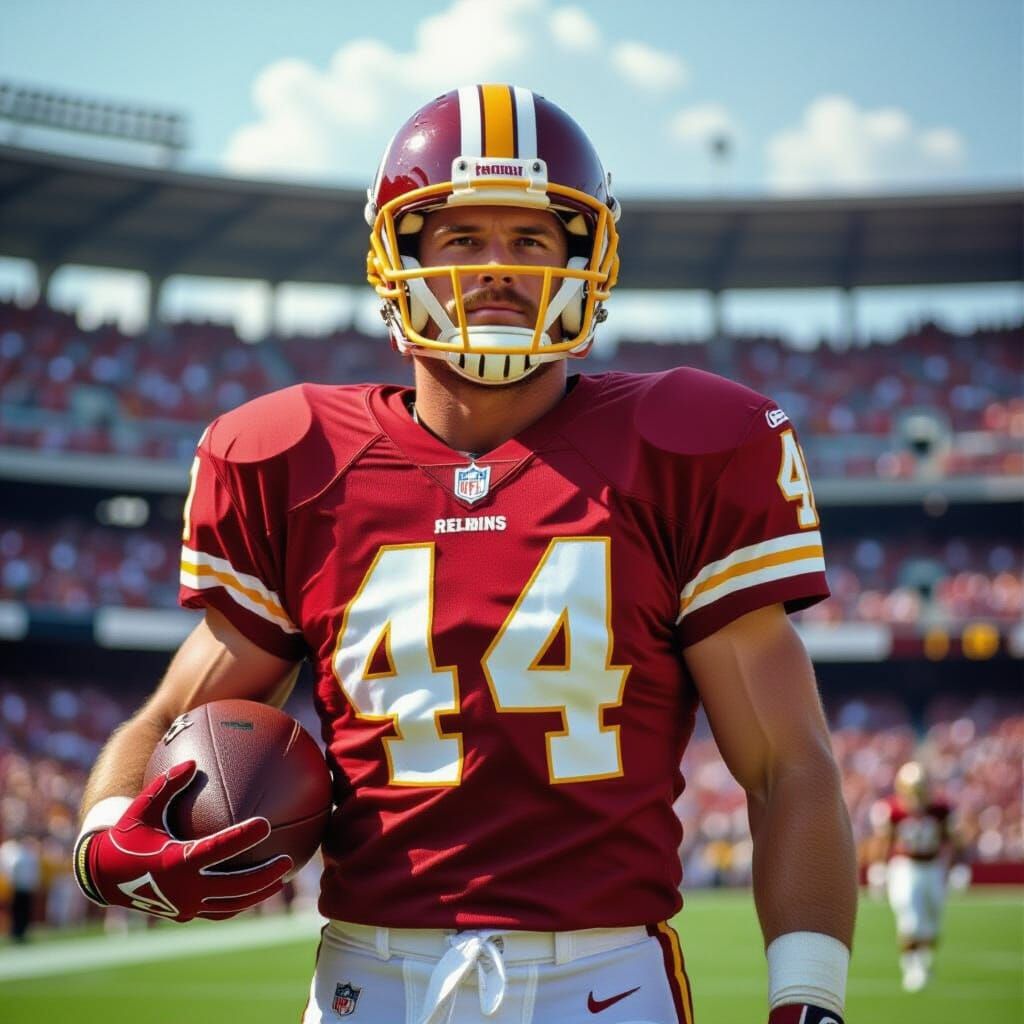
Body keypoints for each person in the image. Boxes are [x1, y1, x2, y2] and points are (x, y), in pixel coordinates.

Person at [73, 84, 857, 1023]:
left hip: (603, 983)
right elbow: (172, 717)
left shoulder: (688, 445)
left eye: (531, 240)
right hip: (366, 982)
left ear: (584, 260)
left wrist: (810, 1001)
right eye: (462, 239)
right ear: (397, 256)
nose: (497, 269)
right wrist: (102, 835)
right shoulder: (296, 460)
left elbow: (788, 766)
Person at [871, 760, 960, 992]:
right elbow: (884, 841)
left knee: (932, 923)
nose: (918, 795)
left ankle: (924, 961)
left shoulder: (940, 810)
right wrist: (879, 868)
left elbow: (950, 840)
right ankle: (911, 967)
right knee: (911, 918)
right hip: (905, 867)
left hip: (933, 867)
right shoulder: (892, 809)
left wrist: (955, 866)